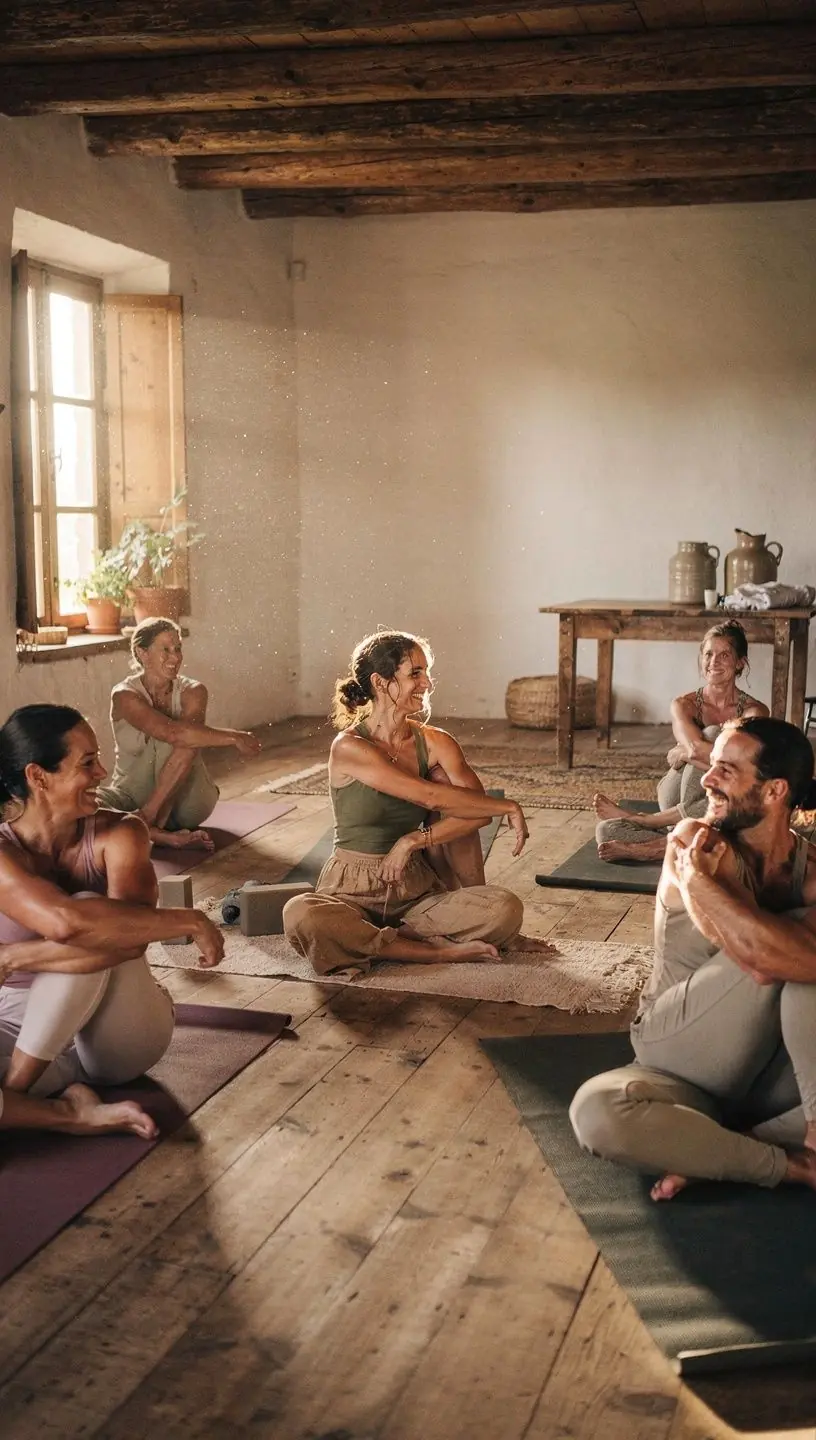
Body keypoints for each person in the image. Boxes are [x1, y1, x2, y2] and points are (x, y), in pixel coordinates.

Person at [570, 716, 816, 1197]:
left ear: (774, 791)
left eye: (726, 769)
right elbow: (759, 962)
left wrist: (700, 882)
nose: (706, 779)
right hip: (676, 1057)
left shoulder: (807, 870)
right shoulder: (695, 840)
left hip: (770, 1083)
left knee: (805, 966)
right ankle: (793, 1165)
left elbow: (779, 961)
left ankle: (722, 1149)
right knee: (596, 1112)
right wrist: (699, 879)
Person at [0, 704, 224, 1116]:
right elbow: (65, 924)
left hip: (119, 1032)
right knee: (91, 919)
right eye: (88, 763)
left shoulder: (123, 832)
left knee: (92, 912)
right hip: (17, 1025)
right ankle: (56, 1105)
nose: (102, 773)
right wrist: (181, 921)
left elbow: (126, 942)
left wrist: (13, 956)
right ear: (37, 776)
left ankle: (17, 1093)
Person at [284, 630, 535, 975]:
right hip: (349, 891)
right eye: (415, 673)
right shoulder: (349, 747)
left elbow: (473, 812)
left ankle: (385, 943)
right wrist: (508, 806)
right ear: (380, 682)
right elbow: (428, 796)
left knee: (505, 908)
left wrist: (414, 840)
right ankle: (435, 953)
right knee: (302, 914)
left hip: (416, 891)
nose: (427, 683)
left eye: (426, 672)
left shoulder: (435, 742)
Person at [593, 620, 768, 863]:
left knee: (717, 739)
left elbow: (727, 763)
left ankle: (650, 832)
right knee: (605, 832)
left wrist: (682, 752)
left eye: (724, 655)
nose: (714, 662)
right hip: (677, 800)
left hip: (715, 805)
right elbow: (706, 755)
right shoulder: (684, 705)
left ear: (740, 663)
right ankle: (680, 839)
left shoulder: (754, 713)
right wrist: (697, 753)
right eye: (708, 654)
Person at [97, 617, 262, 851]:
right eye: (165, 649)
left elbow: (182, 739)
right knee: (83, 802)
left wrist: (151, 811)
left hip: (188, 804)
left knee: (184, 738)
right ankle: (157, 833)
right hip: (133, 797)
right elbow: (174, 733)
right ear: (141, 653)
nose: (175, 657)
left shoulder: (193, 691)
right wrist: (234, 737)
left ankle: (149, 822)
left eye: (178, 649)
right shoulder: (124, 695)